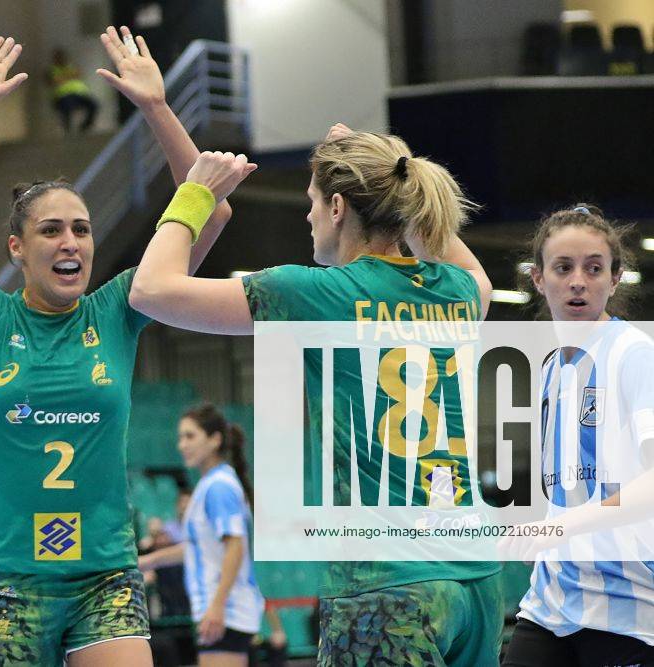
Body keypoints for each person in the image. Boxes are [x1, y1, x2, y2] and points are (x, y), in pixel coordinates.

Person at [0, 25, 232, 666]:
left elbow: (208, 211)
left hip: (105, 576)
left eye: (81, 228)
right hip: (10, 583)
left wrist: (157, 107)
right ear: (16, 249)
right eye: (51, 230)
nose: (71, 241)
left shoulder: (123, 307)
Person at [127, 125, 504, 665]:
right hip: (475, 580)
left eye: (310, 203)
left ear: (335, 207)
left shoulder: (319, 292)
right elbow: (472, 270)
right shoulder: (457, 292)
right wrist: (389, 166)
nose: (306, 217)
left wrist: (195, 192)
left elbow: (150, 290)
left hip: (384, 584)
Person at [500, 205, 654, 665]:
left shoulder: (634, 355)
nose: (578, 281)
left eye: (594, 268)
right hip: (550, 604)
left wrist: (564, 526)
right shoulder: (551, 368)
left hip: (628, 608)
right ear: (537, 278)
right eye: (563, 268)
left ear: (614, 277)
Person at [139, 405, 263, 666]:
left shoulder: (219, 487)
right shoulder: (209, 485)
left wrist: (217, 606)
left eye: (190, 436)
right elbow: (198, 547)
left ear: (215, 439)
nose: (182, 444)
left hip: (225, 611)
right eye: (180, 437)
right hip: (219, 609)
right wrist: (148, 561)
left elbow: (235, 547)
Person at [49, 48, 97, 134]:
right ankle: (68, 130)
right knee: (67, 107)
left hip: (80, 94)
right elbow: (55, 81)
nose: (61, 59)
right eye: (59, 57)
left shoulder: (71, 66)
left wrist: (65, 76)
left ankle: (84, 127)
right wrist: (70, 75)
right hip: (64, 96)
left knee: (94, 105)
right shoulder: (53, 70)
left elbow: (78, 74)